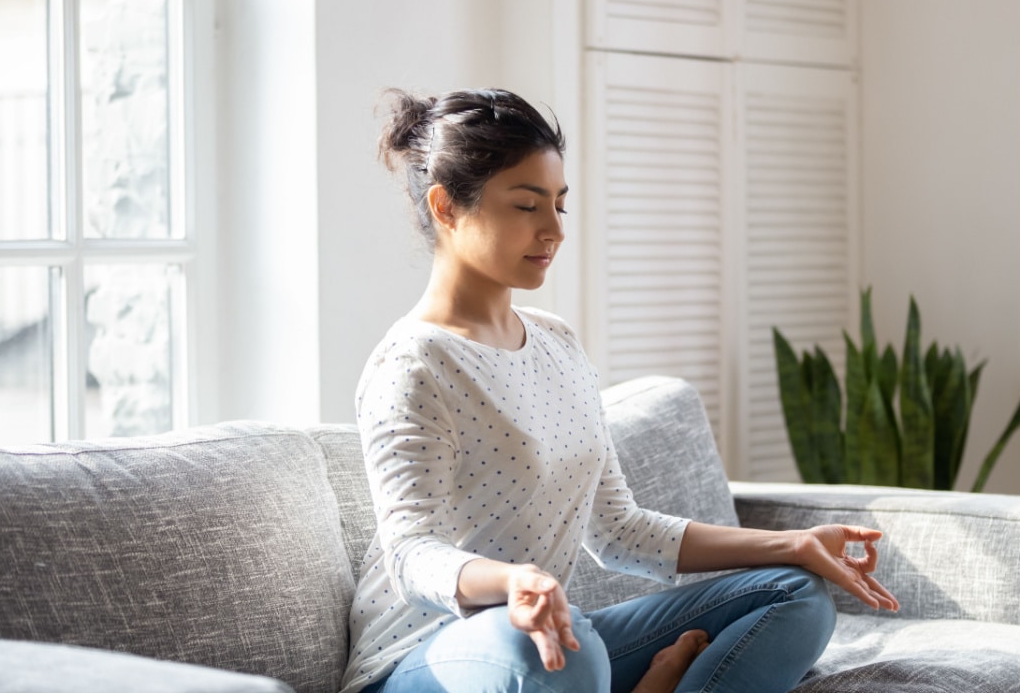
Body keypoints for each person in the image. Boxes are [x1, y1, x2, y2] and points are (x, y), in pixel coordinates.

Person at [343, 87, 898, 693]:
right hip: (422, 659)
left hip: (551, 647)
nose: (553, 230)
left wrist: (793, 543)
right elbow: (410, 553)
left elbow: (618, 530)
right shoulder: (414, 362)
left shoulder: (557, 343)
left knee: (793, 593)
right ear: (446, 207)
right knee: (555, 652)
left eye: (559, 204)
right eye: (527, 206)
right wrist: (513, 582)